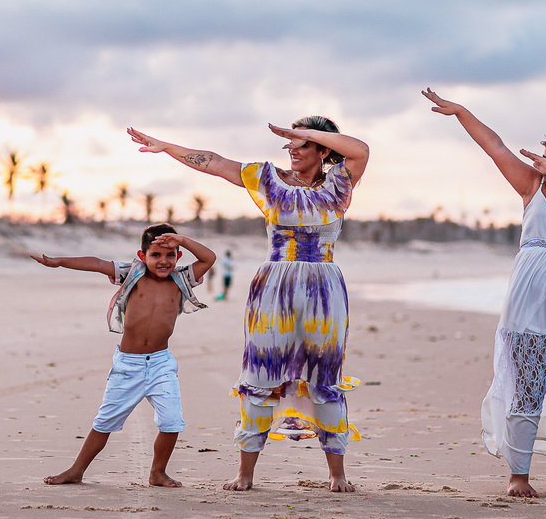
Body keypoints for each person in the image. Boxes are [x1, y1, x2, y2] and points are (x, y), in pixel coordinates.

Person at [128, 118, 370, 492]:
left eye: (301, 143)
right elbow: (216, 162)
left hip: (324, 288)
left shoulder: (340, 181)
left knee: (325, 377)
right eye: (289, 142)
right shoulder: (267, 180)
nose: (291, 148)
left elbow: (360, 149)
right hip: (273, 286)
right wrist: (167, 147)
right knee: (260, 373)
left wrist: (307, 134)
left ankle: (337, 474)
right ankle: (245, 472)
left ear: (323, 149)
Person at [422, 88, 546, 499]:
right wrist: (461, 113)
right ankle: (519, 476)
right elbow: (494, 146)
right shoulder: (531, 187)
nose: (544, 168)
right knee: (527, 387)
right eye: (543, 160)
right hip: (528, 302)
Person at [30, 224, 215, 487]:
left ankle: (157, 473)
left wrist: (183, 239)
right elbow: (96, 263)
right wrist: (59, 262)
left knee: (172, 422)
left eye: (171, 255)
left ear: (179, 256)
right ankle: (76, 470)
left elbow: (209, 258)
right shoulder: (132, 274)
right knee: (105, 421)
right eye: (156, 255)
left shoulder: (182, 278)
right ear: (142, 256)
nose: (163, 261)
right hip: (128, 364)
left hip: (161, 363)